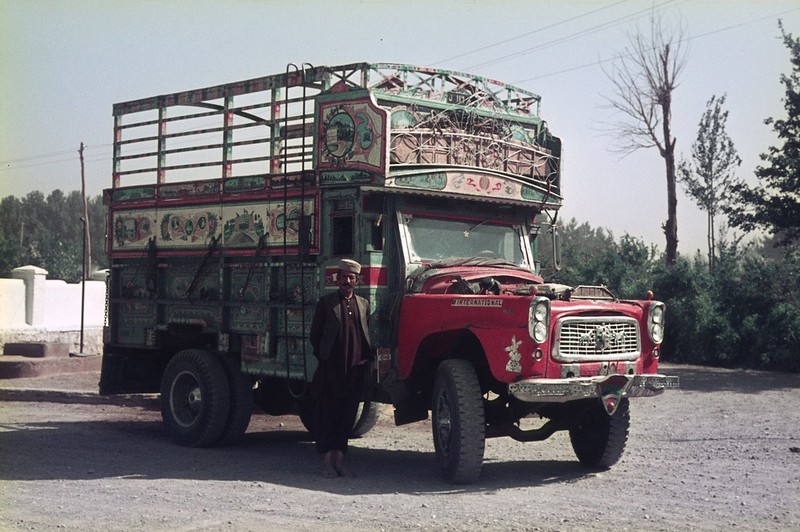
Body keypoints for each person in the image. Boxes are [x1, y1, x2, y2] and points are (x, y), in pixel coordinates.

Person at [309, 258, 372, 477]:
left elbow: (366, 334)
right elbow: (315, 336)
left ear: (356, 280)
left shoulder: (363, 304)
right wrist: (325, 358)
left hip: (353, 372)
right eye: (344, 277)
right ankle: (327, 461)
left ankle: (340, 460)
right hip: (331, 371)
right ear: (338, 279)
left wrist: (365, 361)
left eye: (351, 278)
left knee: (347, 416)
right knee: (327, 416)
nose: (347, 281)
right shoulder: (326, 303)